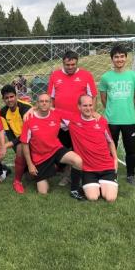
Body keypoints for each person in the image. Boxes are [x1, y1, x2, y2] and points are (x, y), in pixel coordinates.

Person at [47, 50, 97, 198]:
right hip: (60, 120)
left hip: (79, 120)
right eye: (67, 64)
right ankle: (56, 172)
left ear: (77, 62)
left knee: (79, 149)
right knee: (61, 148)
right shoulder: (55, 75)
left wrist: (91, 112)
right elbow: (51, 98)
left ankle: (73, 175)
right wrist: (54, 116)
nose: (70, 67)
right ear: (63, 62)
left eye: (73, 64)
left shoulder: (86, 75)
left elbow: (93, 96)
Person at [20, 93, 83, 195]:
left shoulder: (57, 114)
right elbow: (24, 143)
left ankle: (74, 189)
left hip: (56, 150)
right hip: (40, 156)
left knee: (78, 161)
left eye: (47, 101)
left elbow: (75, 116)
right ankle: (47, 170)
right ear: (37, 104)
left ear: (51, 104)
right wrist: (30, 164)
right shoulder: (29, 119)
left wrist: (94, 113)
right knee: (43, 192)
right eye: (41, 101)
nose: (44, 103)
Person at [60, 95, 118, 202]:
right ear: (79, 107)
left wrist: (115, 159)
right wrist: (33, 108)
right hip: (88, 169)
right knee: (92, 197)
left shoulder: (101, 121)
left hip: (106, 166)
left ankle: (103, 184)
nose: (88, 108)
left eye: (90, 105)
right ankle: (93, 185)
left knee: (110, 198)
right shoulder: (72, 119)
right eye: (85, 105)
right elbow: (50, 110)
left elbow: (110, 141)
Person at [99, 45, 135, 185]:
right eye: (116, 57)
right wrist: (112, 110)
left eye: (122, 56)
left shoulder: (134, 76)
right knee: (110, 148)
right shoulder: (105, 77)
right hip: (111, 120)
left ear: (126, 58)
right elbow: (104, 99)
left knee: (130, 149)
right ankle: (111, 173)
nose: (119, 59)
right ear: (112, 59)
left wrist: (128, 108)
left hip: (129, 119)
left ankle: (130, 175)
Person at [0, 84, 32, 194]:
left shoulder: (26, 108)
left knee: (33, 177)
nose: (9, 100)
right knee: (20, 147)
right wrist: (7, 145)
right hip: (20, 144)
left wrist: (6, 145)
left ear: (16, 96)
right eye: (6, 98)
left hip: (33, 139)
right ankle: (17, 181)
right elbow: (9, 134)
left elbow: (28, 133)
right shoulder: (3, 112)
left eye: (11, 96)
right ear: (3, 99)